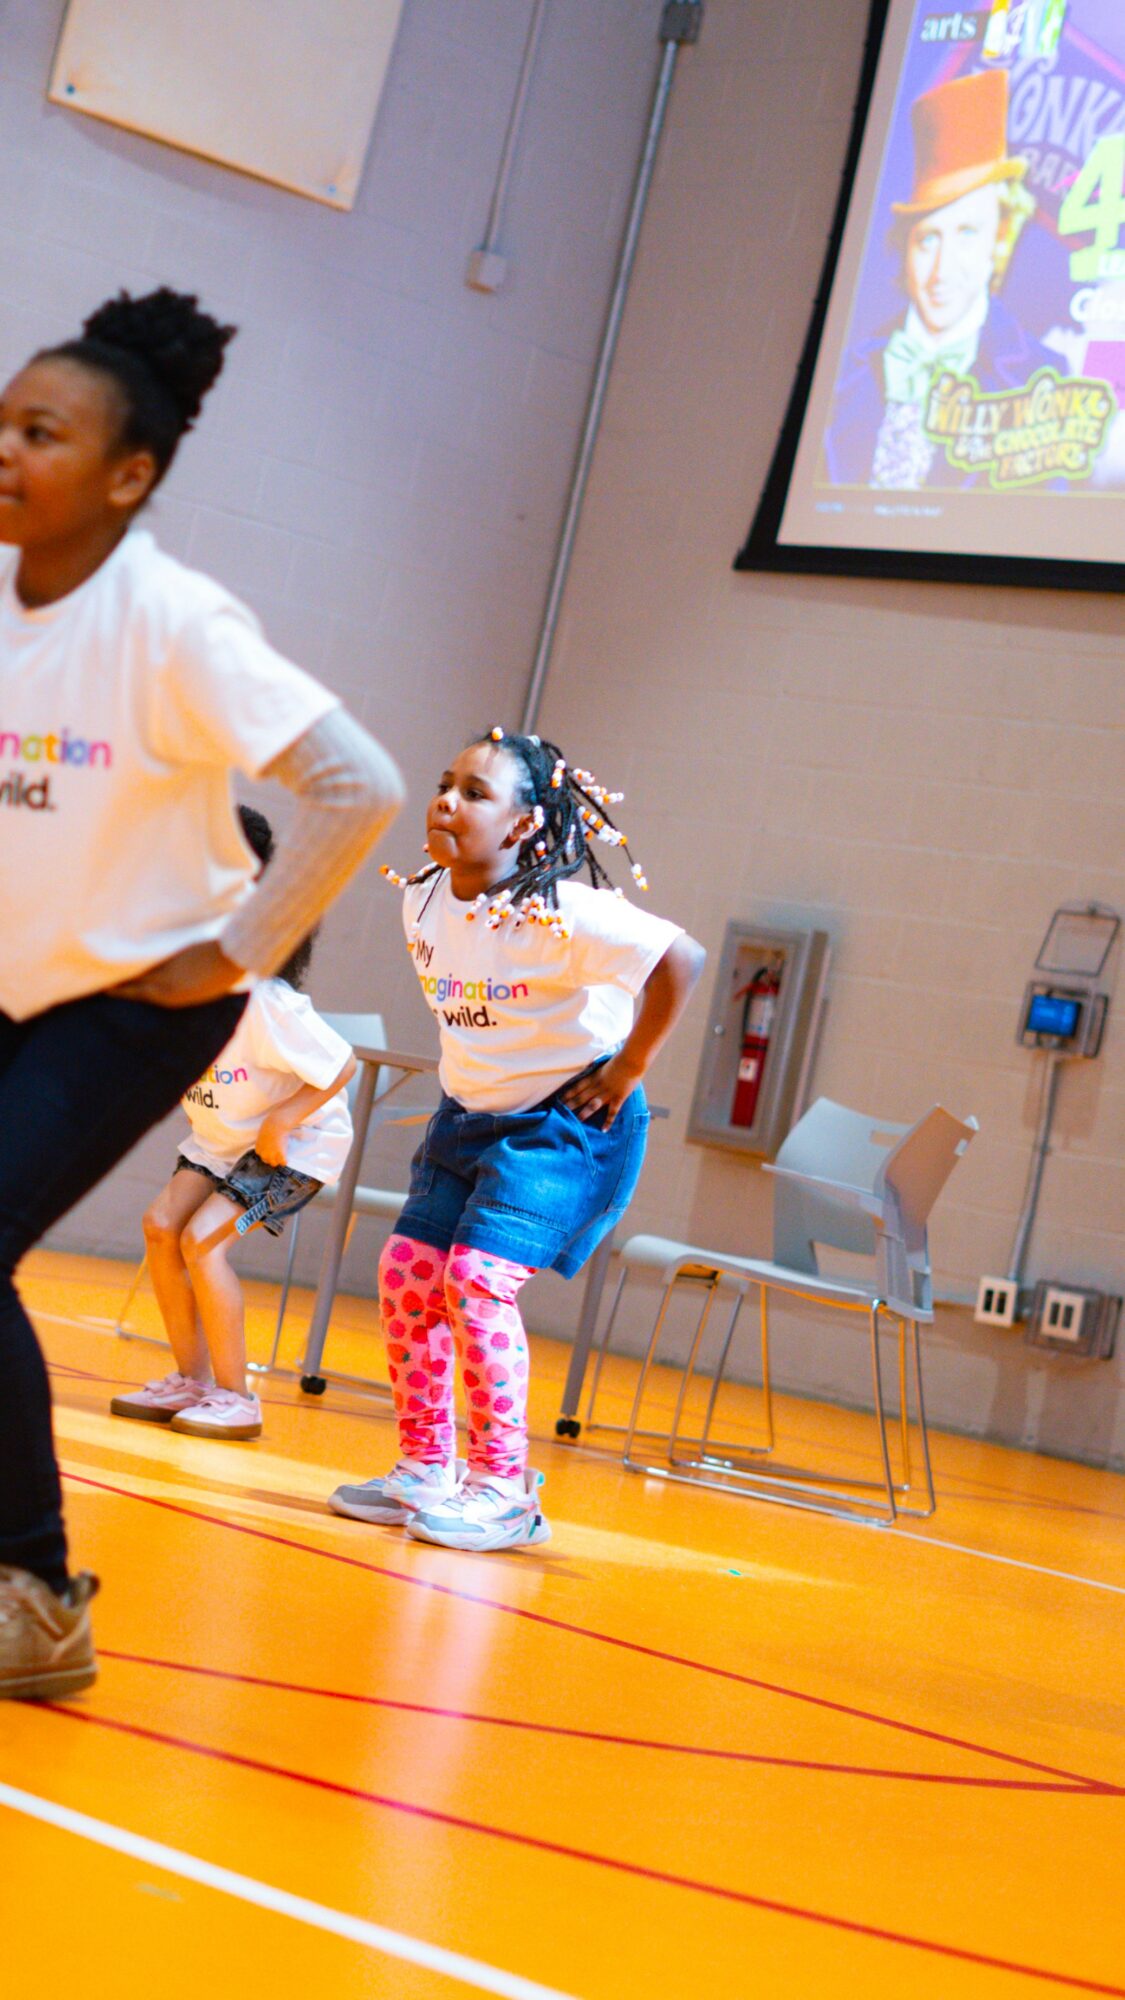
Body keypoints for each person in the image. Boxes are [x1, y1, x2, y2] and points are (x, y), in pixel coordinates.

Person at [0, 288, 403, 1699]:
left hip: (134, 1001)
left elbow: (359, 785)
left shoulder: (171, 621)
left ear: (130, 475)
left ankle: (40, 1595)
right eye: (1, 422)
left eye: (37, 432)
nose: (5, 449)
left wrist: (240, 951)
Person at [329, 728, 705, 1553]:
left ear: (524, 826)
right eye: (443, 783)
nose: (445, 801)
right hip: (466, 1119)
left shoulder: (564, 913)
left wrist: (630, 1066)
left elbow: (682, 957)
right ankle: (425, 1468)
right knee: (407, 1273)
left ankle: (504, 1489)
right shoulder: (421, 896)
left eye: (474, 792)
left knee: (476, 1278)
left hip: (566, 1121)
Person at [110, 808, 356, 1442]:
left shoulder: (262, 998)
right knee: (162, 1226)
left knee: (204, 1240)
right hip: (222, 1142)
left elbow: (339, 1064)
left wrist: (283, 1117)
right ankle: (192, 1381)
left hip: (294, 1148)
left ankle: (236, 1397)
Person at [824, 67, 1052, 488]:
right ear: (905, 248)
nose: (942, 269)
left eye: (966, 233)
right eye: (928, 240)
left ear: (999, 238)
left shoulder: (1041, 377)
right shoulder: (845, 372)